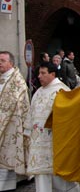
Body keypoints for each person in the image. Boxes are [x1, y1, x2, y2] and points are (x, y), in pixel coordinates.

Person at [25, 62, 80, 192]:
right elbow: (31, 113)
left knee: (60, 177)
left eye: (43, 73)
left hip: (55, 141)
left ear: (53, 74)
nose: (39, 76)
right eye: (39, 73)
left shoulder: (62, 91)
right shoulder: (38, 91)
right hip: (38, 143)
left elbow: (69, 117)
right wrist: (28, 132)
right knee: (41, 174)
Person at [0, 51, 30, 191]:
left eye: (2, 60)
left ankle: (9, 184)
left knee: (9, 154)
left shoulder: (17, 81)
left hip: (11, 124)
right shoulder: (2, 78)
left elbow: (13, 102)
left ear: (11, 63)